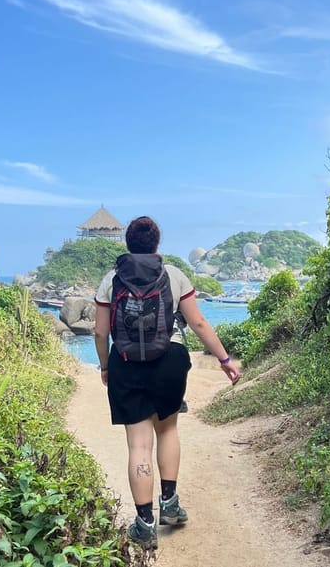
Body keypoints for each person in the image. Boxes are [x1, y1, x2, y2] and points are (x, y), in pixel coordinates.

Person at [94, 216, 241, 550]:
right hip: (170, 360)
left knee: (139, 445)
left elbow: (101, 331)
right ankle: (170, 503)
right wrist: (224, 359)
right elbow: (199, 323)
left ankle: (145, 524)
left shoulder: (111, 279)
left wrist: (105, 367)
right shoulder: (173, 275)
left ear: (127, 244)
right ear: (156, 244)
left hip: (126, 365)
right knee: (168, 430)